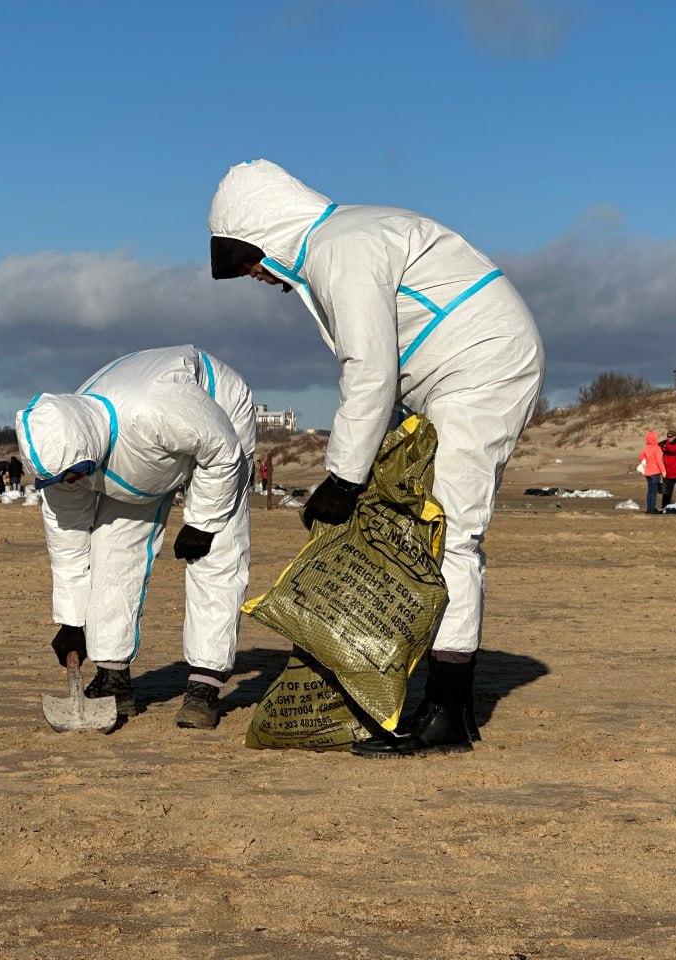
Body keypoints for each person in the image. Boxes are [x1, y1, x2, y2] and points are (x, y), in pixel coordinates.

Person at [209, 159, 544, 756]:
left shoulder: (343, 247)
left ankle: (447, 711)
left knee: (448, 531)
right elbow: (385, 367)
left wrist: (343, 477)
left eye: (245, 258)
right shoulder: (339, 242)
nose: (251, 274)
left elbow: (369, 367)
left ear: (265, 233)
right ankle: (442, 706)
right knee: (420, 527)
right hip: (454, 369)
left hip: (481, 368)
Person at [16, 344, 255, 730]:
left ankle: (205, 683)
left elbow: (223, 451)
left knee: (215, 552)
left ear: (85, 450)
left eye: (75, 473)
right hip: (136, 463)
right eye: (63, 480)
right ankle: (113, 677)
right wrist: (72, 619)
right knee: (112, 549)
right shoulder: (61, 464)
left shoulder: (154, 407)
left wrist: (204, 521)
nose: (71, 484)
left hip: (215, 419)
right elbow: (69, 541)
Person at [639, 430, 666, 514]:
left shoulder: (646, 447)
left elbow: (641, 457)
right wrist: (663, 471)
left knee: (650, 491)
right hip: (655, 472)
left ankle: (649, 509)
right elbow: (659, 461)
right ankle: (652, 509)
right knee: (654, 491)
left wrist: (647, 460)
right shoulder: (656, 448)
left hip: (647, 472)